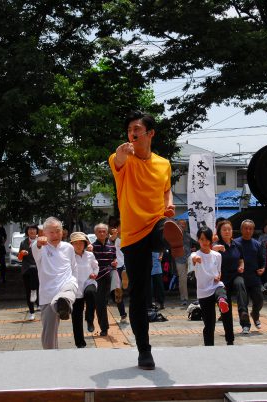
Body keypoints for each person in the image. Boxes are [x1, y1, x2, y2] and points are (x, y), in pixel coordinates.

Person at [108, 110, 184, 370]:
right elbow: (117, 159)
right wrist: (121, 152)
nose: (133, 132)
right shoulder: (122, 160)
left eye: (137, 128)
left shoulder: (163, 163)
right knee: (140, 295)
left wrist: (170, 203)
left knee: (164, 227)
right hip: (132, 235)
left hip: (156, 222)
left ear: (150, 133)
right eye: (130, 129)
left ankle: (171, 239)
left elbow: (166, 190)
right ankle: (144, 351)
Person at [32, 217, 78, 349]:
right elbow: (36, 247)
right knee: (49, 336)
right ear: (44, 233)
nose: (55, 235)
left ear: (62, 231)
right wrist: (39, 243)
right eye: (51, 232)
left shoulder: (68, 247)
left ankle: (63, 302)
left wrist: (76, 285)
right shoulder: (40, 248)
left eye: (58, 231)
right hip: (48, 294)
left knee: (67, 293)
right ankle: (50, 358)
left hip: (67, 286)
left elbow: (74, 268)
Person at [191, 226, 233, 346]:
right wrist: (196, 259)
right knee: (209, 324)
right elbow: (193, 258)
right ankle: (209, 347)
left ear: (210, 240)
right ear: (198, 240)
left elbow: (218, 271)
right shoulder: (195, 254)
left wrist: (218, 276)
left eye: (207, 239)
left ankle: (221, 301)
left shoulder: (217, 255)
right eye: (202, 239)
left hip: (215, 285)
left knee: (221, 289)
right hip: (204, 291)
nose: (204, 242)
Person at [213, 220, 249, 331]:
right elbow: (209, 257)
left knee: (240, 284)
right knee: (225, 303)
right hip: (222, 278)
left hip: (235, 275)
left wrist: (241, 266)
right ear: (220, 231)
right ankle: (228, 330)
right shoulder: (216, 245)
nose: (227, 231)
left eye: (229, 229)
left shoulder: (237, 245)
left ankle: (244, 319)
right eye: (224, 230)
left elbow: (241, 259)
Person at [234, 219, 265, 334]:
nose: (248, 230)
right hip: (241, 278)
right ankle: (245, 325)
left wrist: (262, 269)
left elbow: (262, 261)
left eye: (250, 228)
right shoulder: (235, 243)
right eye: (246, 228)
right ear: (241, 229)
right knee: (243, 303)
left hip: (254, 277)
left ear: (253, 230)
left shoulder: (257, 244)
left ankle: (255, 314)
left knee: (259, 300)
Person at [69, 232, 99, 348]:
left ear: (85, 243)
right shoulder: (69, 257)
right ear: (72, 245)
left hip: (88, 282)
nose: (78, 245)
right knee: (76, 316)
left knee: (91, 293)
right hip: (75, 287)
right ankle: (80, 343)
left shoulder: (90, 255)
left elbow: (96, 267)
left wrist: (94, 274)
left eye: (81, 243)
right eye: (75, 243)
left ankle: (90, 319)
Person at [90, 223, 117, 337]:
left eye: (103, 231)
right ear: (96, 233)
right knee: (100, 304)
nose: (101, 233)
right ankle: (104, 328)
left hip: (110, 272)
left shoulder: (112, 246)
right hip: (98, 277)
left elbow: (114, 259)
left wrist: (114, 263)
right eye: (99, 231)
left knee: (114, 273)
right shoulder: (91, 247)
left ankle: (116, 291)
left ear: (107, 233)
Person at [18, 224, 40, 320]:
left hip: (39, 269)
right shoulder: (23, 243)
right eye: (30, 229)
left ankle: (39, 303)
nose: (32, 231)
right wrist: (22, 254)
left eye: (34, 229)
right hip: (27, 269)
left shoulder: (40, 242)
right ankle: (31, 311)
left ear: (37, 231)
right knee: (28, 291)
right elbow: (19, 259)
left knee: (39, 289)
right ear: (27, 231)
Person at [175, 219, 197, 305]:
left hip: (189, 258)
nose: (182, 226)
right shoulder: (174, 235)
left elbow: (195, 243)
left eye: (184, 224)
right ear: (177, 225)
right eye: (180, 224)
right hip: (179, 259)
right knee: (182, 279)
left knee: (197, 276)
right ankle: (184, 298)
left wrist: (194, 248)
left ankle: (199, 296)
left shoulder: (189, 235)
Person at [109, 225, 127, 320]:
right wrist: (114, 235)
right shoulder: (110, 239)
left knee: (118, 291)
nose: (116, 229)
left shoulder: (126, 237)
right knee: (115, 293)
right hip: (112, 267)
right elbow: (110, 239)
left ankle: (123, 314)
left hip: (121, 266)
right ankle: (123, 313)